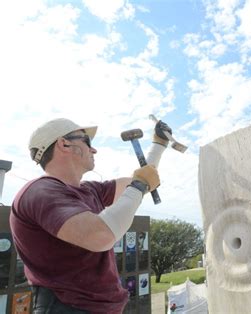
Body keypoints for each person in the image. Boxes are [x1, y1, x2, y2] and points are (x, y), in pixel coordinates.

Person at [9, 118, 171, 313]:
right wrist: (139, 185)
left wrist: (158, 145)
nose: (94, 150)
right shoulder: (40, 192)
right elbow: (100, 235)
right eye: (87, 142)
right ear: (64, 143)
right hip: (66, 308)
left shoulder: (89, 190)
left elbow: (142, 181)